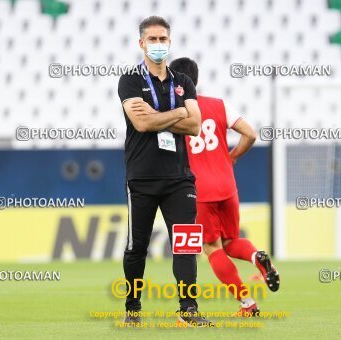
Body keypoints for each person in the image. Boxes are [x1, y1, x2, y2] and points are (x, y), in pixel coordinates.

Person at [117, 17, 212, 327]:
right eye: (152, 39)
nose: (159, 44)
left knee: (186, 245)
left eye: (163, 38)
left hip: (179, 178)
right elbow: (141, 124)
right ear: (141, 43)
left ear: (170, 41)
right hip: (141, 178)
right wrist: (179, 112)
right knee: (137, 248)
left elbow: (195, 125)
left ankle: (189, 311)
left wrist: (158, 114)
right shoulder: (130, 80)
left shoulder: (184, 80)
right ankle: (133, 306)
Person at [170, 57, 281, 316]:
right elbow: (251, 134)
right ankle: (257, 259)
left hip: (199, 190)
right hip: (227, 185)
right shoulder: (220, 104)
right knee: (232, 241)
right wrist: (232, 157)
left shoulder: (175, 113)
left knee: (211, 248)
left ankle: (248, 304)